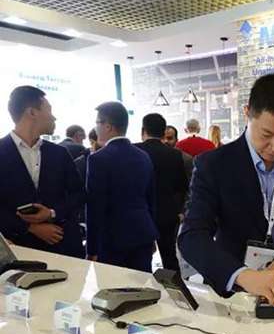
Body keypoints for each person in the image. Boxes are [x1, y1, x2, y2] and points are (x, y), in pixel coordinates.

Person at [179, 73, 274, 306]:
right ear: (247, 113)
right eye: (266, 135)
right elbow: (192, 236)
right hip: (234, 297)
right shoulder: (214, 165)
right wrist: (242, 275)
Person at [0, 86, 84, 258]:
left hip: (65, 248)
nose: (54, 117)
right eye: (49, 110)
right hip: (19, 251)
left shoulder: (60, 153)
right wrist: (29, 227)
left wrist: (52, 213)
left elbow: (79, 195)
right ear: (32, 112)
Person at [86, 102, 158, 272]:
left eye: (97, 123)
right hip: (143, 233)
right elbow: (151, 199)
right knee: (142, 285)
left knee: (112, 286)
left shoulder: (98, 159)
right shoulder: (143, 156)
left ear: (108, 126)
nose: (96, 128)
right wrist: (152, 233)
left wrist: (92, 248)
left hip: (112, 239)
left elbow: (95, 206)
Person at [137, 114, 188, 272]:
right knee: (169, 255)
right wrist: (179, 211)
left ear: (143, 130)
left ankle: (144, 285)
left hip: (141, 213)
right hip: (167, 213)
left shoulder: (135, 151)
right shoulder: (174, 154)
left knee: (142, 257)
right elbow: (181, 186)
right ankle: (174, 286)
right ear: (163, 132)